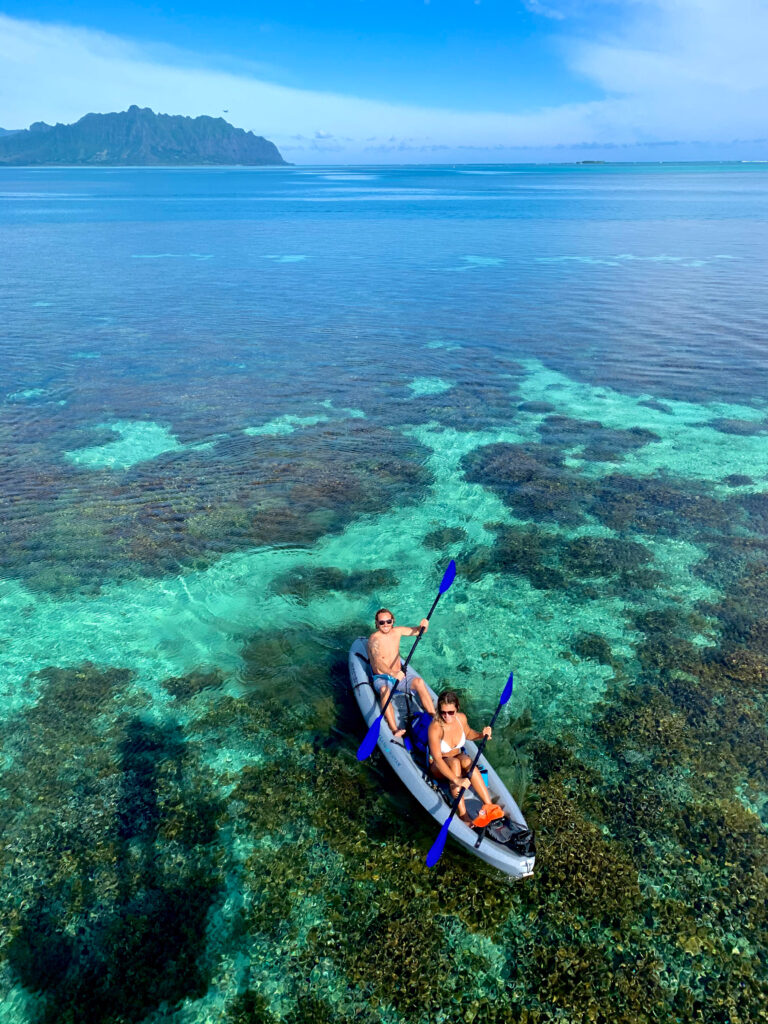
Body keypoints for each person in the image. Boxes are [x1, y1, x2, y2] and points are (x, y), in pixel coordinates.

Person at [428, 690, 503, 828]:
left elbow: (468, 733)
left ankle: (489, 806)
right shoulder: (435, 728)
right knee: (455, 763)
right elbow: (437, 759)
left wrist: (482, 735)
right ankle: (463, 815)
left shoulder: (461, 718)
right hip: (439, 767)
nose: (447, 716)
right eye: (443, 712)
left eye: (450, 712)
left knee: (468, 762)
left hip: (457, 756)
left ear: (457, 708)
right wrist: (456, 779)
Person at [368, 607, 437, 737]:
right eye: (381, 622)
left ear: (393, 621)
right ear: (376, 623)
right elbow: (378, 662)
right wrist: (393, 674)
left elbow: (417, 631)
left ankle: (433, 717)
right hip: (382, 677)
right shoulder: (374, 639)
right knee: (384, 690)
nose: (386, 625)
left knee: (419, 682)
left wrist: (424, 626)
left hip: (399, 675)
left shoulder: (397, 631)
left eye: (388, 621)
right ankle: (394, 728)